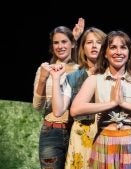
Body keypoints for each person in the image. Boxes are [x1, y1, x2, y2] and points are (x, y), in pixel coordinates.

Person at [70, 30, 131, 168]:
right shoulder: (95, 80)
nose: (118, 52)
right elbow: (75, 110)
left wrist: (124, 104)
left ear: (129, 52)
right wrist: (112, 103)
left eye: (123, 47)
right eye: (113, 47)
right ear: (105, 53)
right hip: (104, 141)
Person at [50, 27, 107, 169]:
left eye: (98, 42)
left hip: (107, 133)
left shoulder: (113, 75)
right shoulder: (74, 77)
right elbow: (58, 111)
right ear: (83, 48)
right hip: (81, 137)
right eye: (89, 42)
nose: (94, 46)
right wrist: (56, 79)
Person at [32, 25, 80, 168]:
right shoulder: (44, 69)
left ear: (73, 44)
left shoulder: (81, 70)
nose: (60, 46)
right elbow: (37, 106)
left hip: (75, 131)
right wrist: (42, 79)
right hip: (51, 133)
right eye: (56, 42)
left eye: (64, 42)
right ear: (52, 46)